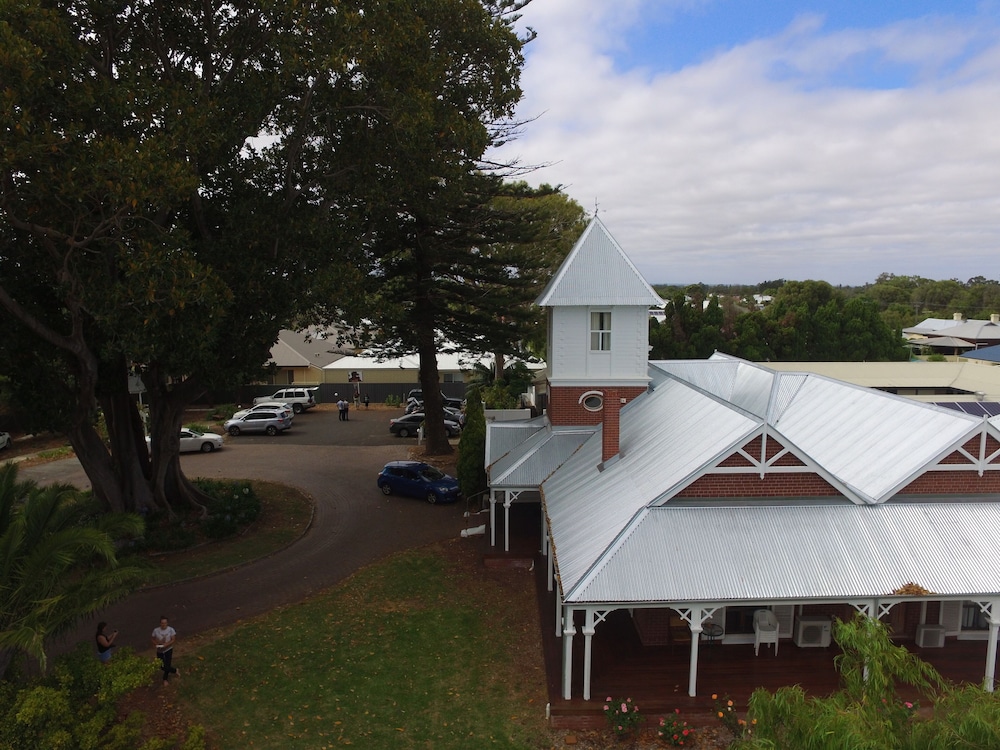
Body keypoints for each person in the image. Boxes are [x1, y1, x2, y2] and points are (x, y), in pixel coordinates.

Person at [151, 615, 179, 686]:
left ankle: (165, 679)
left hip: (168, 649)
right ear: (160, 623)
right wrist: (157, 644)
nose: (163, 625)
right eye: (162, 623)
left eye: (165, 623)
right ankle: (175, 670)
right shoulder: (156, 630)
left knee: (167, 664)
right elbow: (152, 639)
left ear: (167, 623)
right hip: (160, 650)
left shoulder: (170, 630)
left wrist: (167, 644)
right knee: (162, 666)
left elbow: (173, 639)